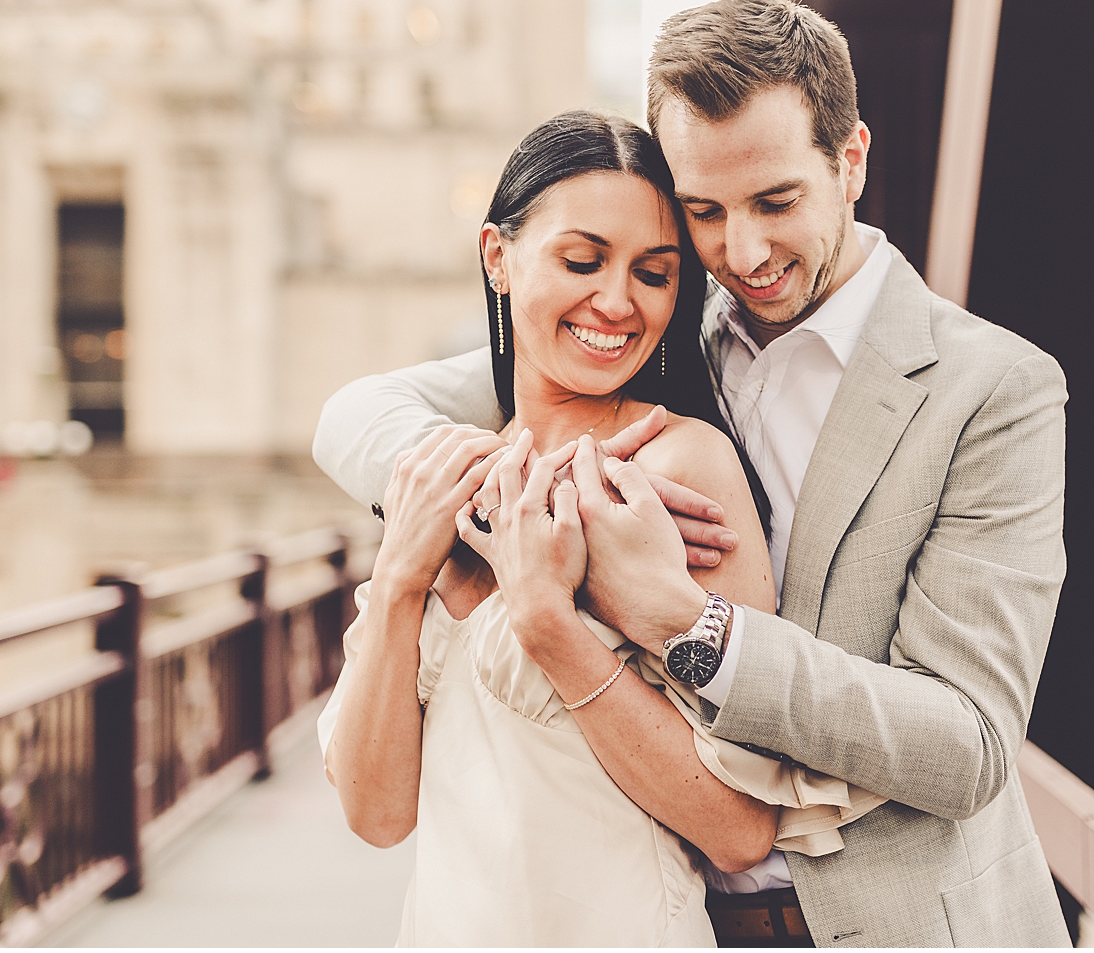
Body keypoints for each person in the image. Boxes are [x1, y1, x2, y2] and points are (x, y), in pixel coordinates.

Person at [315, 0, 1069, 949]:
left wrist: (684, 620)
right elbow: (358, 413)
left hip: (896, 924)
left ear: (852, 163)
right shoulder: (657, 339)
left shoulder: (992, 388)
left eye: (777, 202)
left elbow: (969, 748)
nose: (743, 253)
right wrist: (483, 507)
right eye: (705, 212)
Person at [317, 110, 877, 948]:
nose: (616, 302)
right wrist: (400, 579)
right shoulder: (449, 480)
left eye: (653, 274)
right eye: (581, 260)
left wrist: (552, 625)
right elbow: (376, 813)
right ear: (497, 258)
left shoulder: (681, 470)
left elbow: (740, 829)